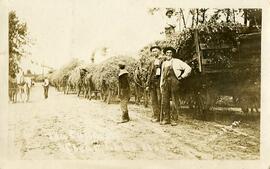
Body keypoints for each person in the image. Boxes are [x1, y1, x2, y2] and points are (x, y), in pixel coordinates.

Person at [160, 47, 192, 126]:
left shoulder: (177, 61)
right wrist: (161, 84)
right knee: (165, 101)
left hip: (174, 82)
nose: (169, 54)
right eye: (167, 53)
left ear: (172, 54)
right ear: (165, 54)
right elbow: (162, 76)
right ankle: (166, 119)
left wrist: (182, 77)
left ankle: (174, 119)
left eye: (170, 53)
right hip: (165, 83)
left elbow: (188, 68)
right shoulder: (164, 63)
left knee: (175, 101)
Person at [146, 45, 163, 122]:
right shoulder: (151, 61)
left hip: (160, 82)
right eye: (153, 51)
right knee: (153, 100)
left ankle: (162, 116)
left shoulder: (163, 59)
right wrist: (147, 84)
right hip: (152, 83)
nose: (154, 52)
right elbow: (149, 73)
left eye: (155, 51)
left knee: (160, 99)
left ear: (159, 51)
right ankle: (156, 116)